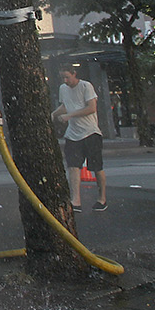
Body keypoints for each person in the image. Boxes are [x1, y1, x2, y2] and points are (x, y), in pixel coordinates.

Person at [52, 67, 107, 212]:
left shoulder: (86, 86)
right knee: (73, 166)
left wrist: (70, 115)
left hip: (90, 133)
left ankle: (102, 198)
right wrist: (52, 115)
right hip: (73, 134)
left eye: (67, 77)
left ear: (74, 74)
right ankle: (75, 199)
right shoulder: (63, 89)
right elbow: (65, 106)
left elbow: (91, 108)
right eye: (62, 77)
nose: (65, 81)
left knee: (96, 167)